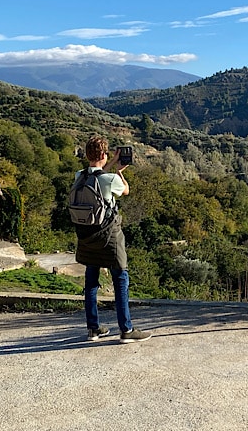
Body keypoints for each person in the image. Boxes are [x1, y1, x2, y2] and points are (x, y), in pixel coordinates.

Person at [74, 135, 152, 343]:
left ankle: (93, 329)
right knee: (120, 278)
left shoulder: (78, 176)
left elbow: (96, 176)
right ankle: (126, 329)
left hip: (86, 236)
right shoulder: (111, 180)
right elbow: (125, 191)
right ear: (103, 154)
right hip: (109, 237)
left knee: (91, 281)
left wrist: (108, 164)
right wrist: (119, 171)